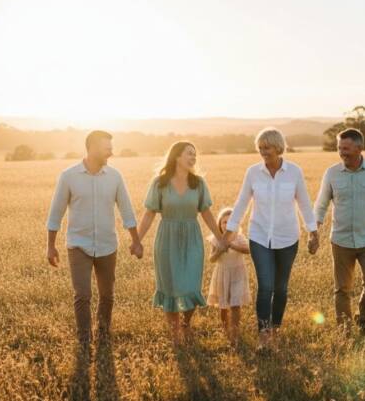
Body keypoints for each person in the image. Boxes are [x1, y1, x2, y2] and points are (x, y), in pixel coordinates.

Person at [225, 127, 319, 351]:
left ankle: (275, 329)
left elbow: (304, 203)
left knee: (281, 288)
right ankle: (264, 334)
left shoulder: (294, 172)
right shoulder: (253, 172)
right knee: (266, 286)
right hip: (259, 237)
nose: (263, 152)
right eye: (260, 148)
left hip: (287, 237)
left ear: (278, 147)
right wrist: (230, 230)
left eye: (267, 147)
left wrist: (313, 231)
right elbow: (242, 202)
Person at [46, 130, 143, 346]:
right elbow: (55, 213)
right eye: (106, 147)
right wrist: (50, 246)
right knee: (82, 295)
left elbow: (127, 211)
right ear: (91, 148)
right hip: (78, 245)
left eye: (111, 147)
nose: (111, 151)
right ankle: (84, 340)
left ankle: (103, 332)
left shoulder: (115, 177)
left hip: (108, 245)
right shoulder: (68, 176)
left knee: (107, 295)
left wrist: (136, 241)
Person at [137, 141, 226, 345]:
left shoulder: (198, 183)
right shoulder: (159, 183)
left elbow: (206, 212)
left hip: (192, 238)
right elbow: (149, 214)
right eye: (189, 153)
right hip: (167, 239)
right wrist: (137, 240)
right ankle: (175, 331)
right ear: (177, 156)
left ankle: (186, 324)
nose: (193, 157)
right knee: (169, 286)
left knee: (191, 284)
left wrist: (220, 238)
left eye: (195, 154)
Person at [313, 128, 365, 336]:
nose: (342, 153)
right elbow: (321, 205)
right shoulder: (331, 173)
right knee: (342, 289)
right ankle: (345, 330)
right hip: (340, 240)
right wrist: (314, 233)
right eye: (339, 148)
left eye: (346, 148)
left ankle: (363, 317)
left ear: (360, 148)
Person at [207, 207, 251, 348]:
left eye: (230, 222)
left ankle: (235, 332)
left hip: (238, 274)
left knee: (235, 304)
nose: (227, 225)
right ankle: (225, 328)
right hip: (222, 274)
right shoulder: (216, 239)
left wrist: (232, 245)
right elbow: (211, 259)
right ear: (219, 224)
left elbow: (248, 250)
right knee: (223, 305)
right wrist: (220, 250)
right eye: (224, 222)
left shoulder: (239, 237)